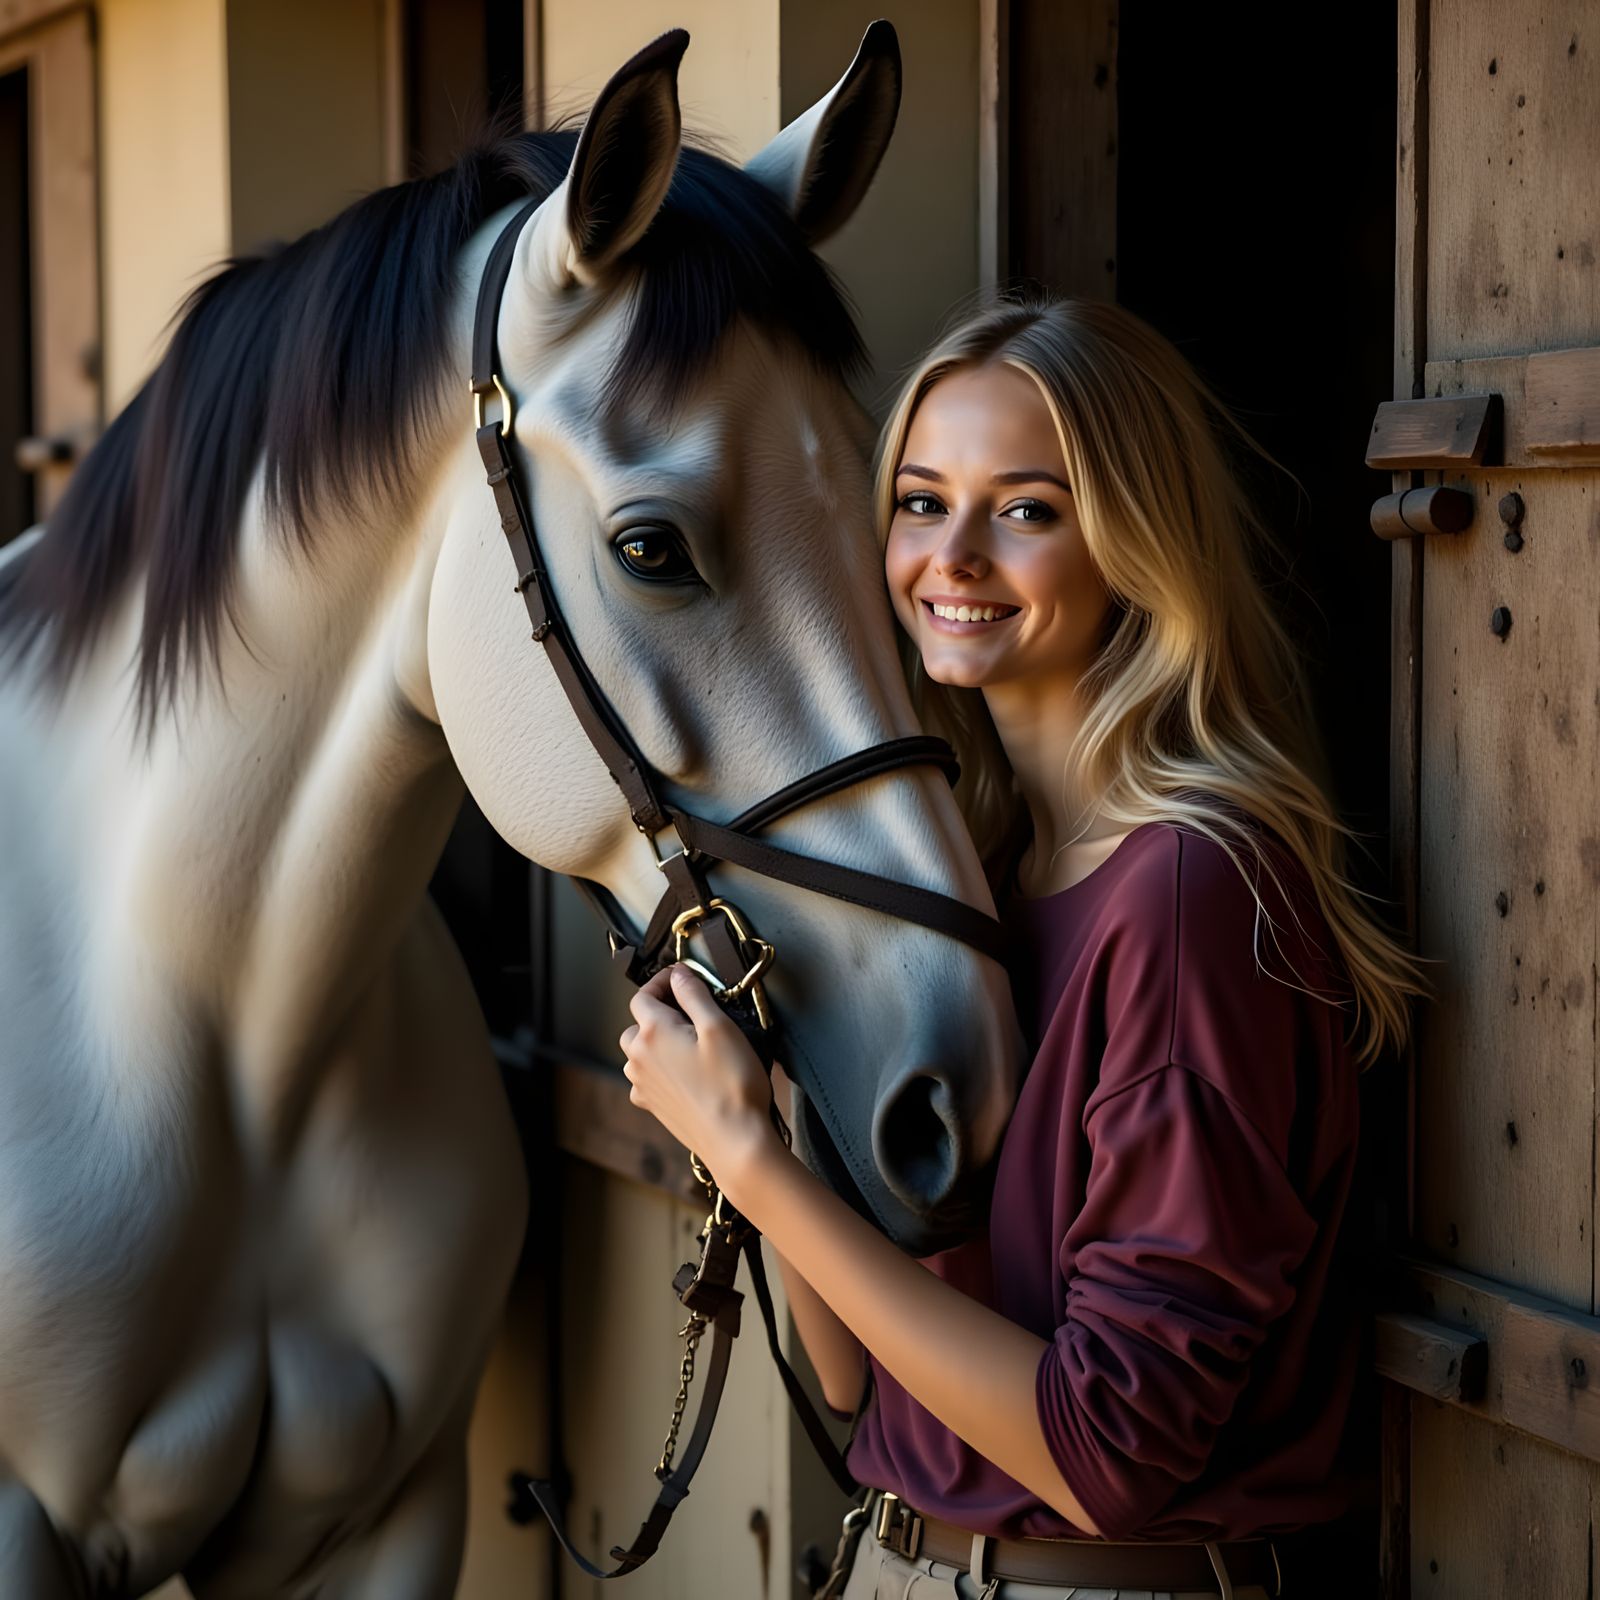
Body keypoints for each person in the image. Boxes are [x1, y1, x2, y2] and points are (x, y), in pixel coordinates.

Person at [618, 292, 1424, 1599]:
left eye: (1028, 511)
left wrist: (757, 1168)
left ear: (1135, 542)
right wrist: (761, 1115)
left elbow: (1111, 1455)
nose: (954, 557)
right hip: (901, 1562)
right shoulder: (980, 884)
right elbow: (854, 1377)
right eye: (921, 502)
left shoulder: (1188, 897)